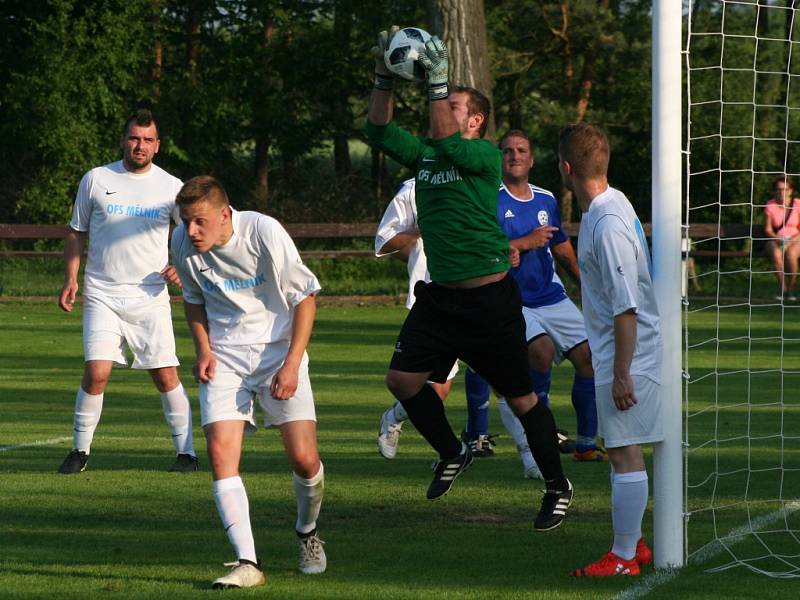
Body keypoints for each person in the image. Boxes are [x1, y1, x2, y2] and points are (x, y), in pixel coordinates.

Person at [367, 29, 573, 531]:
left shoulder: (483, 158)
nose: (444, 105)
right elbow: (377, 131)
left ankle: (556, 485)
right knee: (403, 381)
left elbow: (447, 141)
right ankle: (453, 450)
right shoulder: (427, 156)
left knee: (521, 400)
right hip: (440, 300)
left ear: (476, 121)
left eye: (455, 104)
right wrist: (383, 77)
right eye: (445, 99)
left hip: (488, 302)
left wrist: (436, 83)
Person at [171, 176, 326, 589]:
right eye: (186, 221)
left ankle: (307, 533)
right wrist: (203, 348)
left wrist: (292, 364)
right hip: (225, 357)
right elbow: (194, 302)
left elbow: (305, 297)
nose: (190, 231)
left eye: (199, 221)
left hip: (279, 352)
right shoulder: (182, 243)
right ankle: (248, 563)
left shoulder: (264, 232)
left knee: (304, 461)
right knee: (221, 454)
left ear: (225, 215)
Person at [57, 109, 198, 475]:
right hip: (102, 291)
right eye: (134, 138)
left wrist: (180, 266)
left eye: (147, 140)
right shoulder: (96, 179)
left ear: (158, 146)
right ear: (123, 140)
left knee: (165, 375)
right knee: (97, 372)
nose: (140, 145)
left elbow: (193, 234)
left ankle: (187, 454)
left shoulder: (171, 187)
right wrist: (71, 279)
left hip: (150, 296)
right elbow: (76, 231)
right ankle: (80, 451)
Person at [463, 130, 605, 480]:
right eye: (508, 150)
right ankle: (539, 438)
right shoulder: (488, 198)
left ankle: (586, 444)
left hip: (552, 296)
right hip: (511, 300)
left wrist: (586, 285)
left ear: (531, 159)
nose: (514, 155)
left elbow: (561, 248)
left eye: (521, 150)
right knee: (539, 353)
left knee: (591, 357)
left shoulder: (546, 199)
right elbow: (481, 250)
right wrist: (521, 244)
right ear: (500, 158)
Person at [559, 122, 661, 577]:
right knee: (621, 448)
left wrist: (621, 372)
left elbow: (626, 307)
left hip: (628, 355)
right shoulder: (614, 202)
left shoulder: (605, 224)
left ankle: (622, 557)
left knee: (623, 452)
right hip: (622, 352)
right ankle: (633, 545)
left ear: (566, 169)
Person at [374, 178, 460, 459]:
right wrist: (420, 236)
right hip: (431, 300)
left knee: (503, 373)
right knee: (437, 390)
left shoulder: (482, 179)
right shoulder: (415, 188)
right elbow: (385, 240)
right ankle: (397, 418)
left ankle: (531, 455)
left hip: (473, 294)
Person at [763, 175, 800, 301]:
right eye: (779, 189)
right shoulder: (770, 205)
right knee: (775, 253)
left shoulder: (797, 204)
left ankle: (791, 289)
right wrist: (778, 239)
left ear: (790, 190)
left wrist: (792, 240)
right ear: (774, 190)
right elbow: (767, 229)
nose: (782, 192)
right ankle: (782, 288)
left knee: (791, 254)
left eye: (785, 189)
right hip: (777, 239)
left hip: (796, 238)